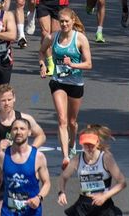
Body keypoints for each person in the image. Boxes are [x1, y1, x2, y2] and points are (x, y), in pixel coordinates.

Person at [41, 10, 92, 169]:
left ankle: (72, 145)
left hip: (75, 83)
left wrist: (73, 65)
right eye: (61, 21)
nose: (63, 24)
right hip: (58, 81)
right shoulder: (52, 37)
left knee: (72, 122)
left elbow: (89, 64)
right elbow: (42, 51)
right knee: (62, 120)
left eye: (66, 22)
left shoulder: (80, 39)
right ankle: (65, 157)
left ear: (72, 21)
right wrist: (43, 64)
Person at [55, 125, 126, 216]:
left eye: (91, 145)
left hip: (103, 204)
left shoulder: (106, 158)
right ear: (81, 144)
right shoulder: (77, 159)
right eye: (86, 145)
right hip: (84, 204)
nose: (88, 148)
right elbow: (63, 177)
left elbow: (122, 182)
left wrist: (105, 196)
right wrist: (61, 192)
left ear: (97, 143)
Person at [0, 116, 51, 216]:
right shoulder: (2, 156)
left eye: (22, 129)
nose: (18, 132)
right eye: (15, 129)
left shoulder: (38, 157)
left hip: (31, 212)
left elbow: (47, 183)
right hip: (8, 212)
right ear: (11, 132)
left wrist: (39, 198)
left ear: (29, 132)